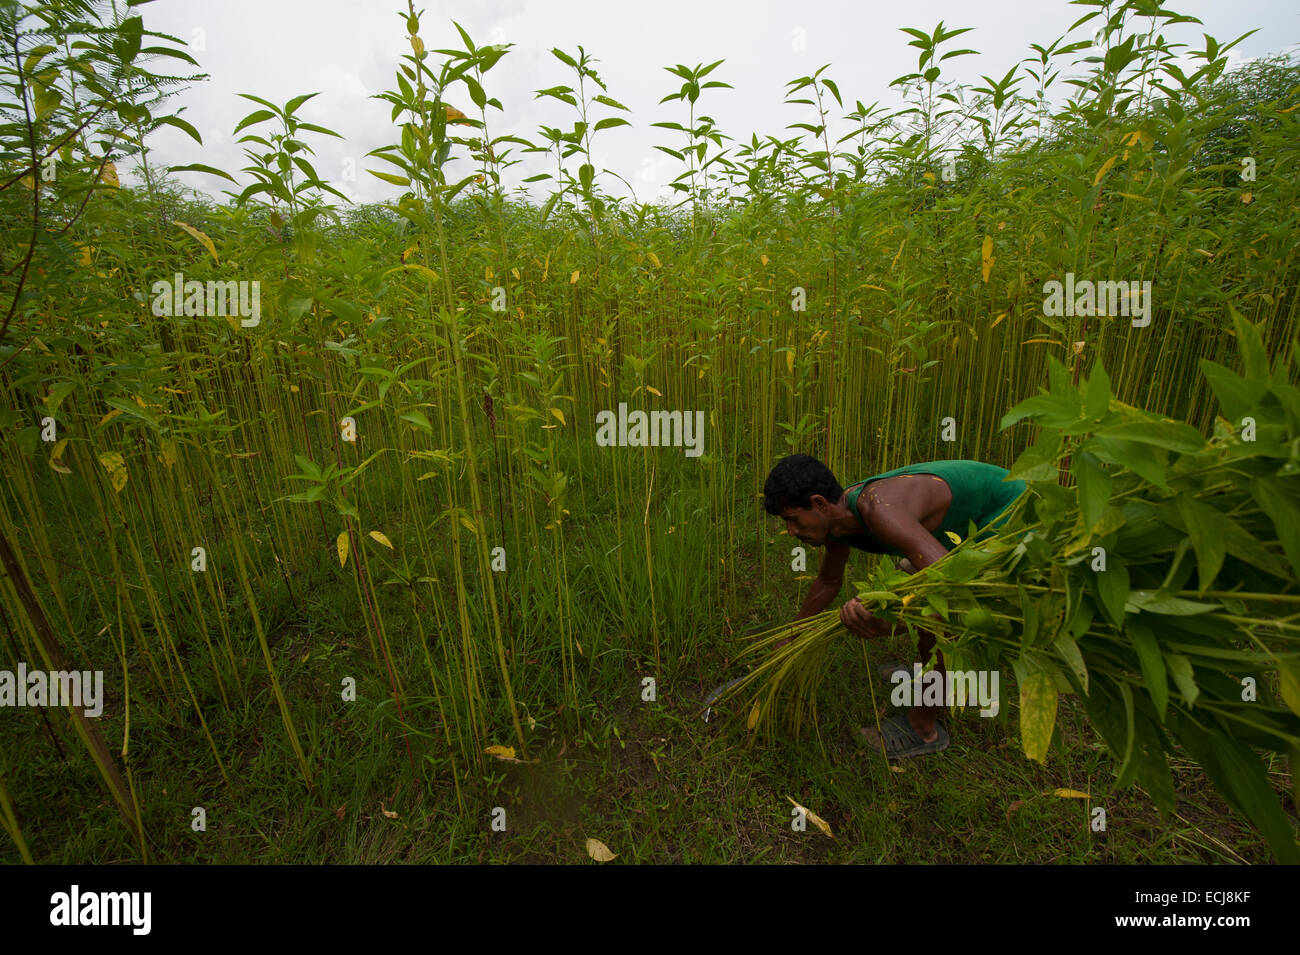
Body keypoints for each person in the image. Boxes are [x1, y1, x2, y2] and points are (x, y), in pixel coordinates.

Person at [761, 454, 1026, 758]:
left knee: (935, 619)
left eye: (792, 519)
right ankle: (928, 677)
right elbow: (827, 581)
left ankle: (923, 728)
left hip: (1007, 513)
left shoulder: (878, 511)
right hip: (956, 528)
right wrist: (790, 636)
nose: (791, 531)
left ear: (820, 504)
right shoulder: (836, 523)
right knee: (909, 589)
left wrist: (891, 624)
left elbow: (951, 590)